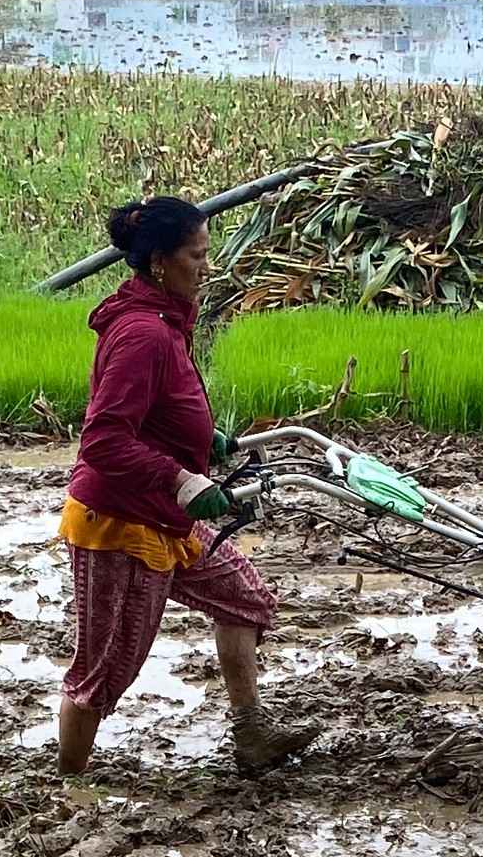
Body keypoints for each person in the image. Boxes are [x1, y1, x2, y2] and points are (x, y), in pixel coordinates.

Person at [54, 197, 312, 778]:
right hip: (120, 525)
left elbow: (156, 411)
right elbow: (103, 440)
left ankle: (251, 735)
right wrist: (181, 476)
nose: (206, 265)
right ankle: (67, 788)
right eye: (197, 255)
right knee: (106, 668)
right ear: (161, 261)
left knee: (244, 598)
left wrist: (205, 438)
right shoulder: (143, 333)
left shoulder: (167, 322)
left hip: (163, 516)